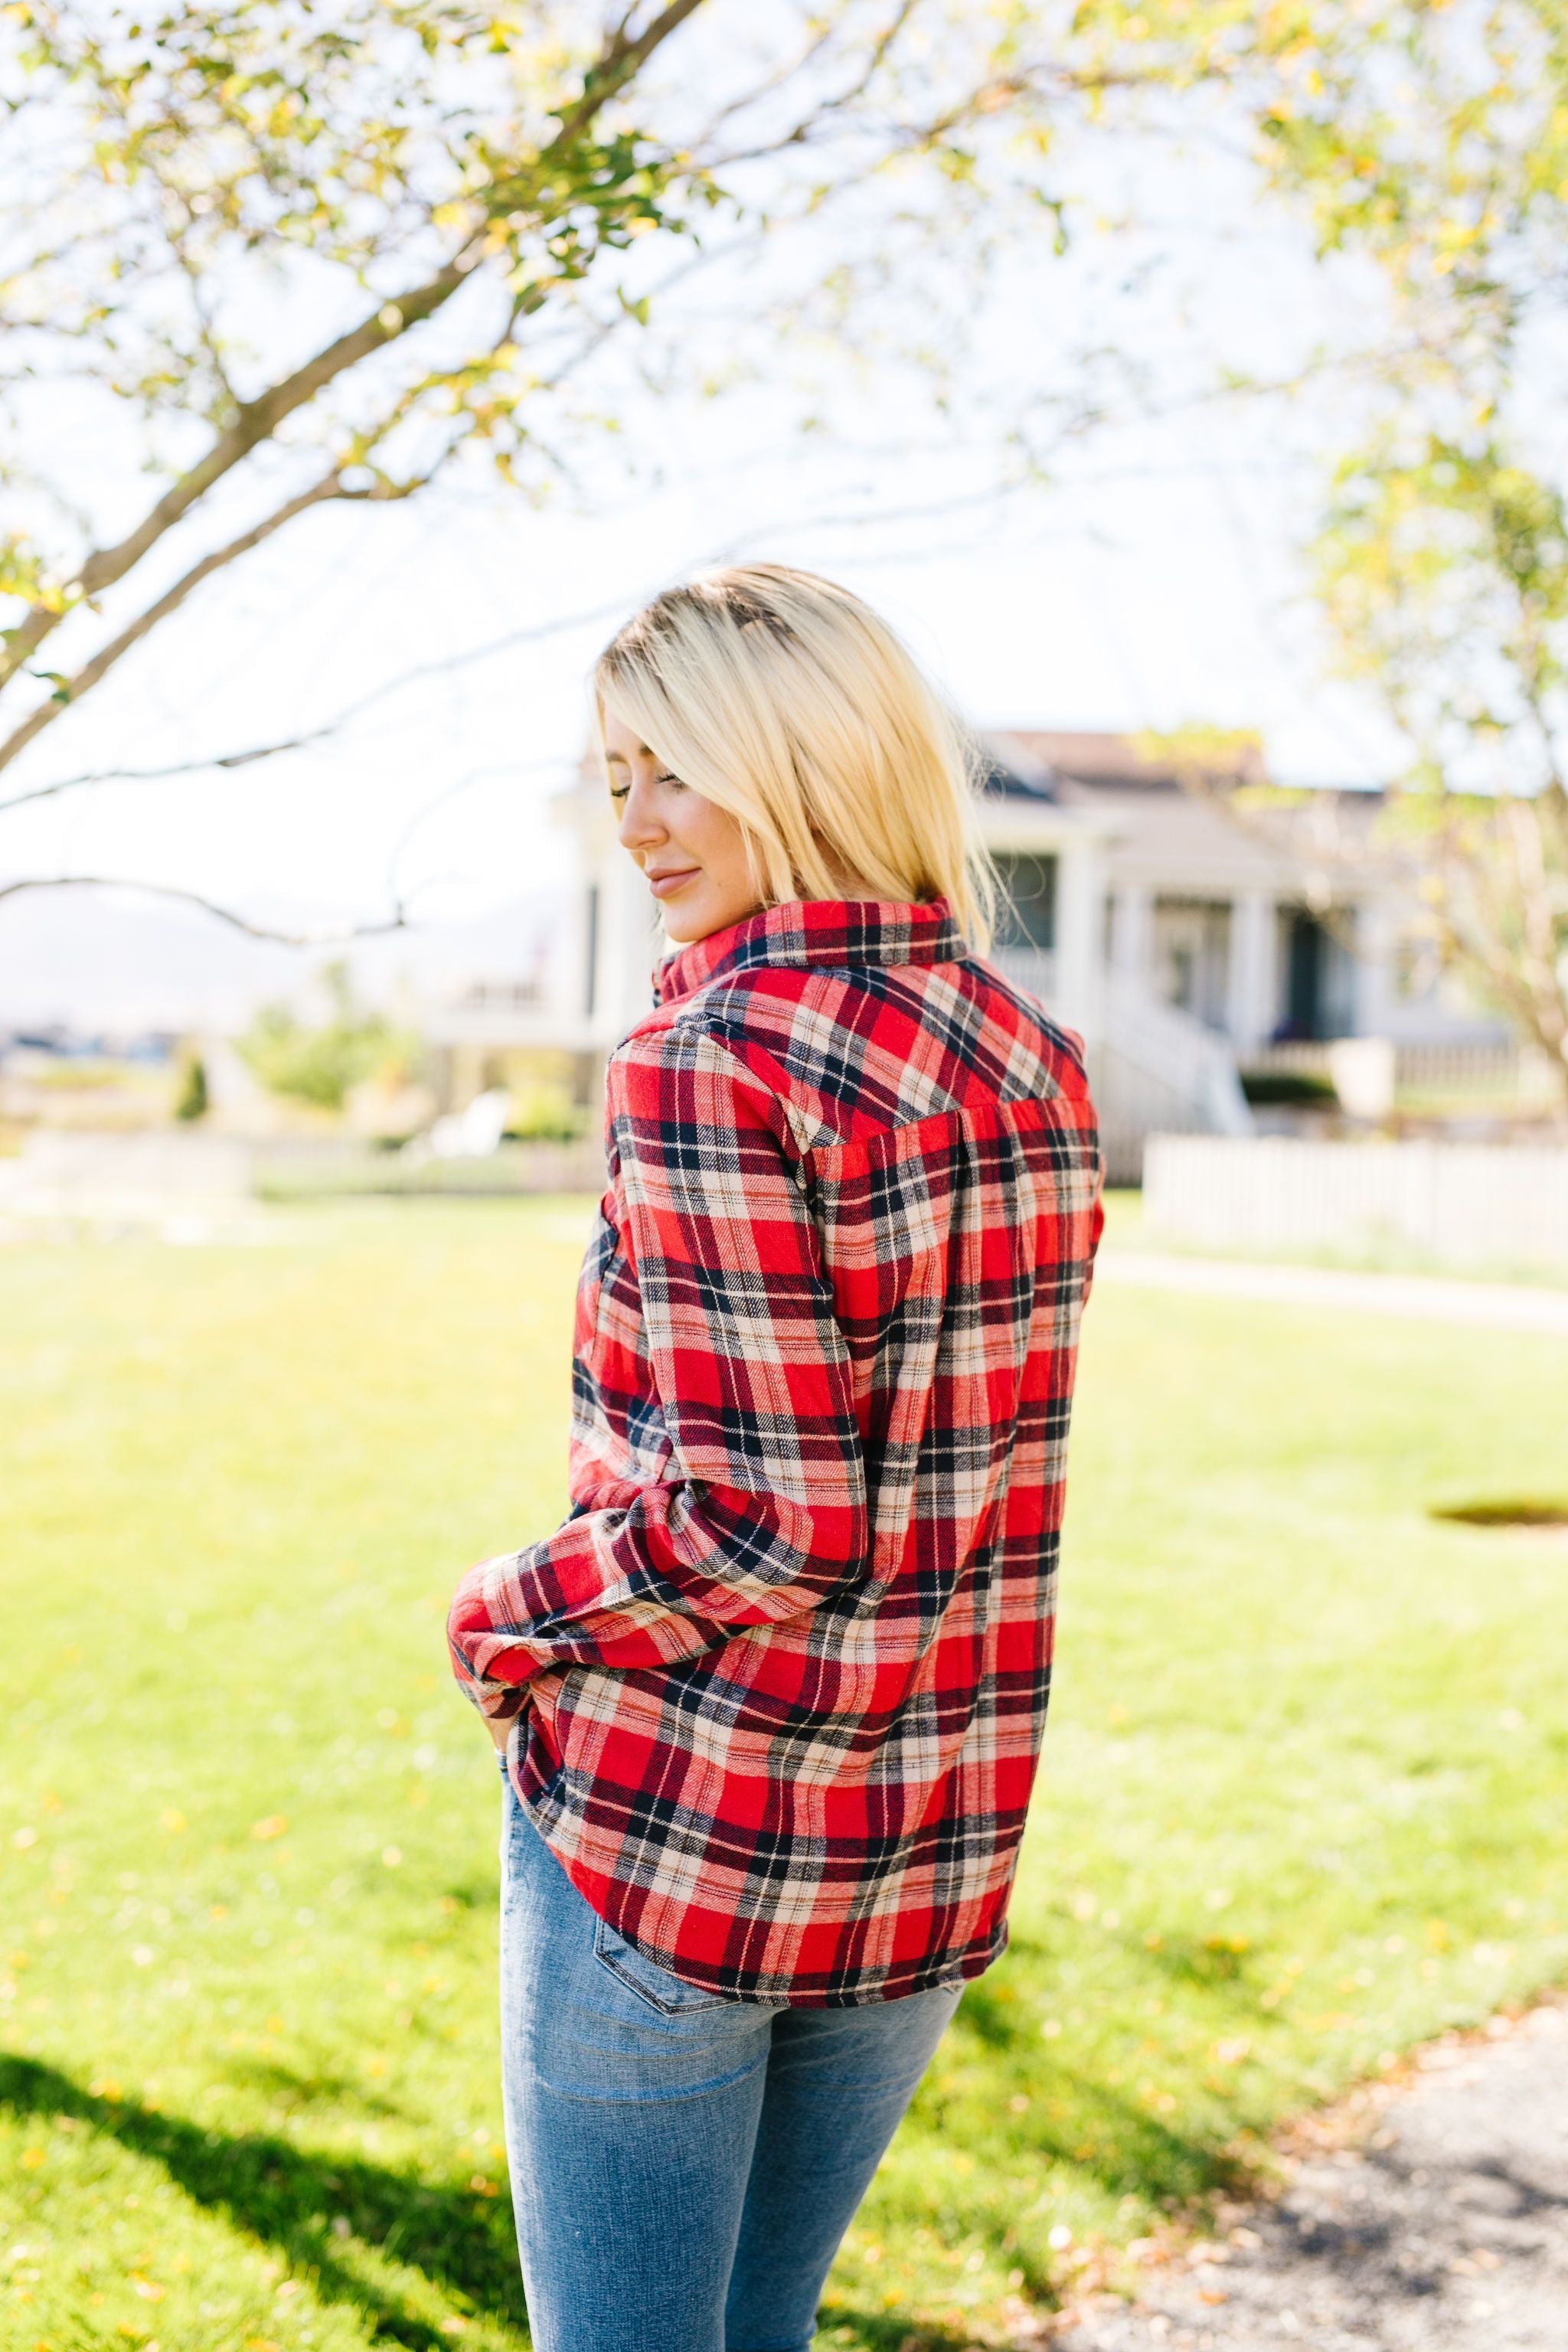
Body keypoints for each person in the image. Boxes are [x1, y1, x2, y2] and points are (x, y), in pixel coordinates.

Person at [446, 564, 1103, 2352]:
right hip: (925, 1848)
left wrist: (498, 1613)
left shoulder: (709, 1049)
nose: (639, 826)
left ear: (805, 754)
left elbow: (759, 1519)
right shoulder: (1026, 1057)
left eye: (678, 769)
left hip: (689, 1840)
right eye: (615, 778)